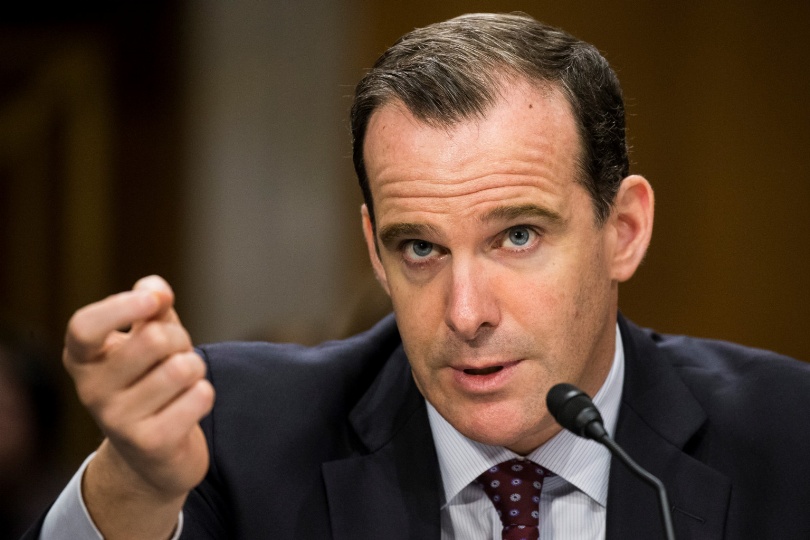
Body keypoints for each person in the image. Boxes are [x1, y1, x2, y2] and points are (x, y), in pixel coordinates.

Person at [25, 12, 810, 540]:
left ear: (623, 231)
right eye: (421, 249)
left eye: (518, 236)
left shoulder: (789, 437)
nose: (465, 313)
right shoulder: (240, 435)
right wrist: (134, 486)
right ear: (375, 250)